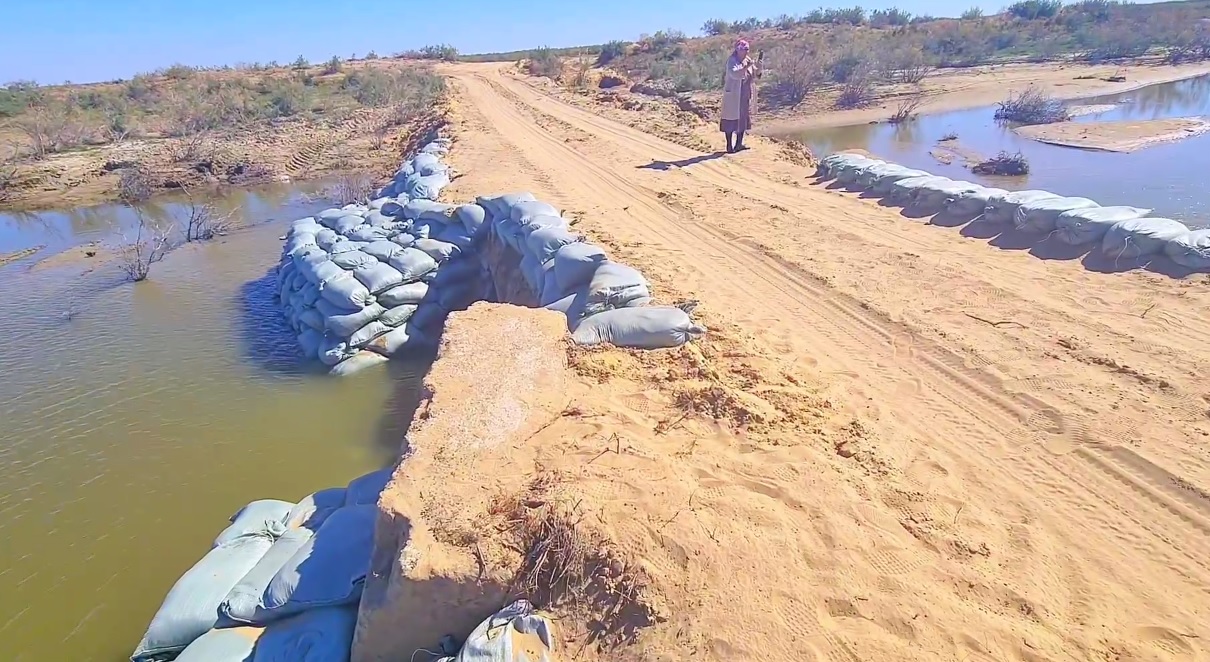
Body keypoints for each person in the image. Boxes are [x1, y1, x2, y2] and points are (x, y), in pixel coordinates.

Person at [720, 39, 760, 153]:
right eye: (744, 50)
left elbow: (755, 74)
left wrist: (759, 67)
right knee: (730, 119)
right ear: (738, 50)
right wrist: (746, 67)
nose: (746, 52)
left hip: (745, 94)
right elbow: (734, 74)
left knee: (742, 119)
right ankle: (729, 146)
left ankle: (739, 144)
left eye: (747, 49)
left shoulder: (748, 60)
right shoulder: (732, 61)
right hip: (733, 95)